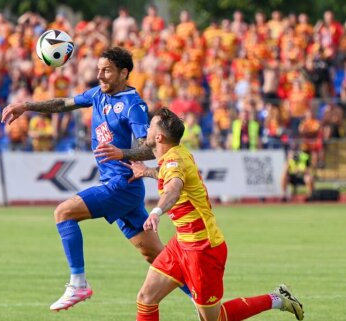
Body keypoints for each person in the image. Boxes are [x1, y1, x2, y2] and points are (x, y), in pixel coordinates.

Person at [1, 47, 189, 311]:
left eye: (107, 70)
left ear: (124, 73)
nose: (100, 75)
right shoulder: (98, 94)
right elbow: (65, 103)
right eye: (99, 69)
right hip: (124, 190)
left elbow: (150, 148)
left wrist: (121, 152)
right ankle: (202, 298)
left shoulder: (133, 105)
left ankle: (78, 283)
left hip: (120, 185)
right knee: (157, 257)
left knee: (64, 213)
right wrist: (27, 106)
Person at [121, 108, 304, 321]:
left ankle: (278, 298)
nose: (146, 129)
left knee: (215, 318)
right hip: (181, 244)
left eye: (150, 126)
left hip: (202, 249)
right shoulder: (175, 154)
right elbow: (167, 175)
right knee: (146, 298)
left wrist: (156, 211)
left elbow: (173, 189)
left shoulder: (173, 161)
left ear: (159, 137)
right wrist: (146, 171)